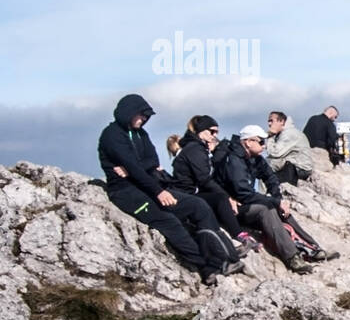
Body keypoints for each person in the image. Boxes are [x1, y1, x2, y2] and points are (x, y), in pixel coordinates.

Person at [96, 94, 242, 286]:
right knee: (169, 221)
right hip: (126, 192)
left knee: (198, 205)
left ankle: (221, 256)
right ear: (127, 113)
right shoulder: (112, 135)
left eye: (145, 116)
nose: (143, 119)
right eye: (139, 115)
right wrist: (154, 187)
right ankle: (206, 267)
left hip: (148, 184)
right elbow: (136, 167)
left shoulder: (141, 134)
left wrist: (133, 168)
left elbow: (151, 162)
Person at [212, 125, 337, 273]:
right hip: (230, 208)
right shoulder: (234, 160)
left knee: (280, 209)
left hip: (244, 202)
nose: (264, 146)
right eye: (260, 142)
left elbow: (270, 178)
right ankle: (292, 258)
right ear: (248, 142)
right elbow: (242, 193)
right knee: (265, 210)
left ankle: (313, 248)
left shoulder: (254, 158)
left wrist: (279, 200)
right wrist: (275, 202)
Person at [171, 115, 253, 253]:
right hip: (184, 194)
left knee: (218, 198)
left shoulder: (197, 147)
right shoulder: (194, 149)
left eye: (217, 132)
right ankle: (238, 236)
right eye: (212, 131)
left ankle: (237, 235)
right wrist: (227, 197)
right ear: (201, 130)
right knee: (220, 199)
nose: (215, 135)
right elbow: (204, 179)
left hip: (191, 192)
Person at [265, 111, 315, 185]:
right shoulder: (284, 133)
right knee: (266, 162)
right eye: (268, 121)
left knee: (266, 165)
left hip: (299, 168)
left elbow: (275, 153)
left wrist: (270, 136)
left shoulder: (289, 133)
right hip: (294, 165)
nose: (269, 124)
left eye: (271, 121)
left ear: (281, 121)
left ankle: (264, 194)